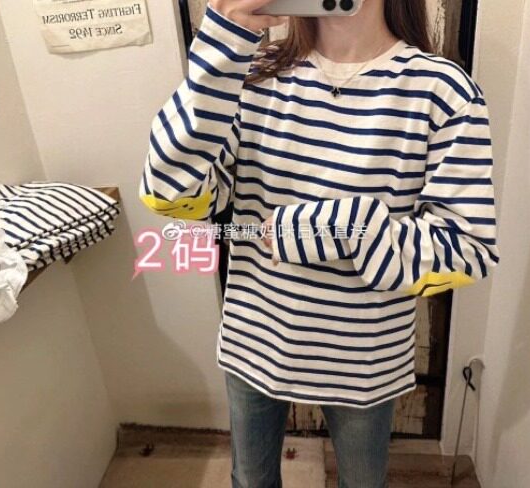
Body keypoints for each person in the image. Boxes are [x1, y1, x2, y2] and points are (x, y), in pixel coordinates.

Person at [138, 0, 500, 486]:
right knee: (250, 481)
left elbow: (468, 247)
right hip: (255, 340)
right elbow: (168, 193)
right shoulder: (250, 75)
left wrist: (341, 226)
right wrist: (220, 48)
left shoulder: (442, 91)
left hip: (363, 358)